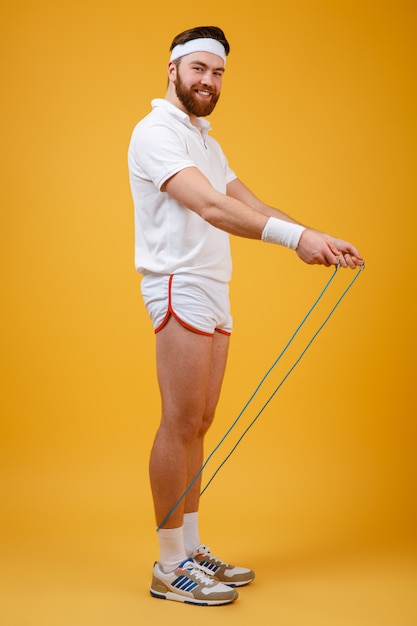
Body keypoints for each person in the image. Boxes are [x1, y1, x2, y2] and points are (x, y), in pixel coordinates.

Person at [128, 25, 363, 606]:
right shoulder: (154, 132)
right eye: (199, 69)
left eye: (218, 72)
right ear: (173, 69)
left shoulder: (205, 140)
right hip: (178, 282)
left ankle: (191, 547)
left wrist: (315, 237)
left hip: (214, 285)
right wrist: (295, 239)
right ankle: (167, 564)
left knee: (201, 422)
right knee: (179, 422)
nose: (208, 81)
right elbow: (210, 206)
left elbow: (249, 205)